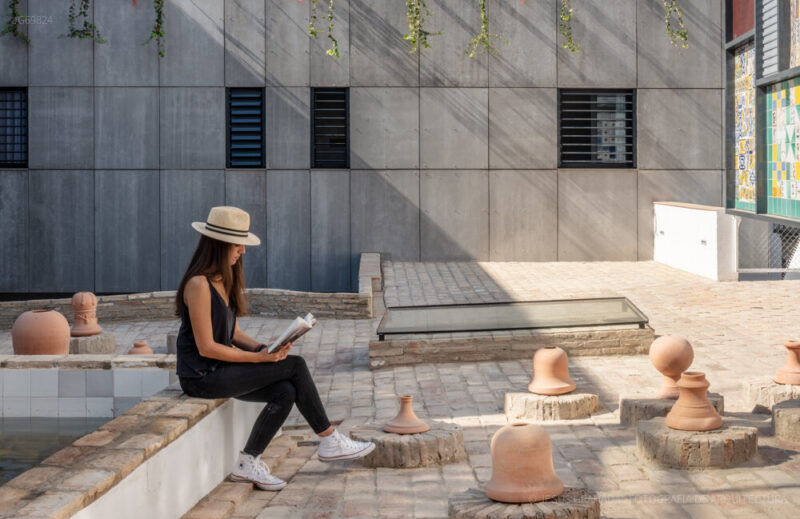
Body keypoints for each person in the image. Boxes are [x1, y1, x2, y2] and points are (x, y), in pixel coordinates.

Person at [176, 206, 374, 490]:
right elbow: (207, 347)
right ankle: (328, 438)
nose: (242, 251)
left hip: (220, 370)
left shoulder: (223, 281)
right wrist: (258, 359)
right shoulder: (197, 284)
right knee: (295, 365)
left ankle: (247, 462)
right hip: (201, 377)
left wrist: (264, 347)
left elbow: (231, 331)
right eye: (237, 245)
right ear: (219, 246)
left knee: (286, 390)